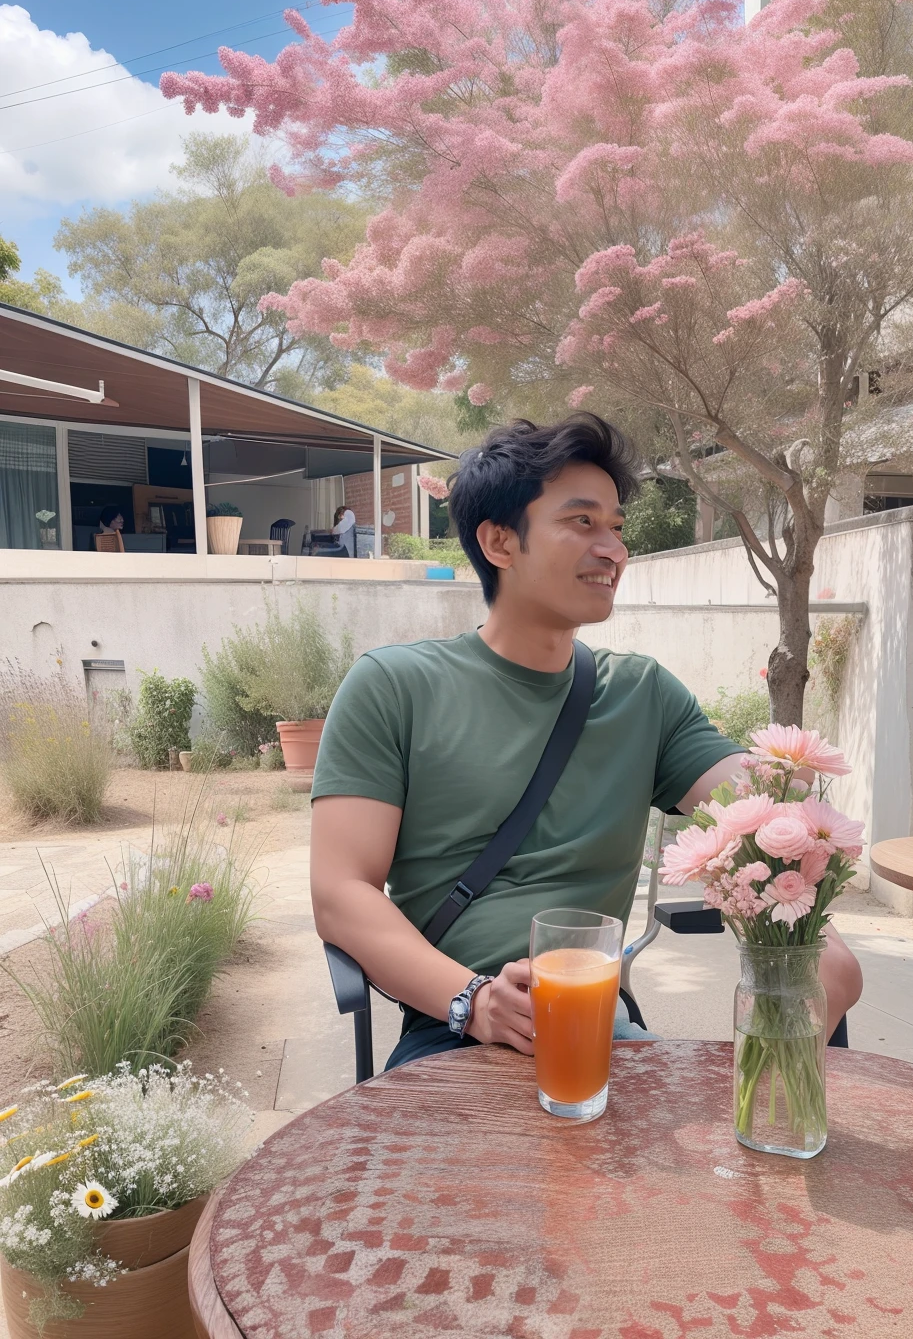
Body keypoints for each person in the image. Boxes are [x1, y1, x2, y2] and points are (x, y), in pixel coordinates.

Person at [310, 415, 863, 1071]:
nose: (614, 550)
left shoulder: (643, 695)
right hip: (452, 1033)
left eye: (617, 527)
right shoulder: (394, 688)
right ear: (499, 542)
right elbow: (340, 892)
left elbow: (748, 806)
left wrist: (798, 881)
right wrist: (475, 999)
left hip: (597, 1029)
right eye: (582, 523)